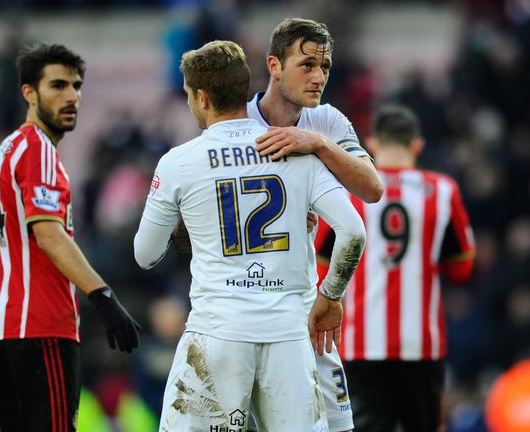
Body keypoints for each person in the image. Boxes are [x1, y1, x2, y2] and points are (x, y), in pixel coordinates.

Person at [133, 40, 365, 431]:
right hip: (290, 337)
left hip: (217, 334)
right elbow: (353, 231)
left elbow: (145, 254)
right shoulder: (293, 149)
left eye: (190, 96)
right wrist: (331, 296)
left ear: (202, 97)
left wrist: (188, 225)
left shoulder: (179, 162)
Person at [0, 43, 141, 432]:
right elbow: (50, 235)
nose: (71, 96)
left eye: (76, 86)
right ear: (28, 93)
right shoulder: (38, 150)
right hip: (41, 325)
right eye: (57, 85)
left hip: (4, 327)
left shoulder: (8, 150)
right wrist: (103, 296)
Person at [249, 17, 383, 432]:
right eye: (306, 65)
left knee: (341, 425)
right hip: (248, 309)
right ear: (274, 65)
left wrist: (318, 145)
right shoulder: (237, 126)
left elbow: (372, 188)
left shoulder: (325, 121)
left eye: (324, 66)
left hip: (305, 302)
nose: (318, 76)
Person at [316, 105, 476, 431]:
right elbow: (462, 268)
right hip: (421, 343)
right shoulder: (443, 191)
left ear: (372, 144)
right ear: (417, 145)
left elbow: (320, 264)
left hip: (361, 343)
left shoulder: (347, 191)